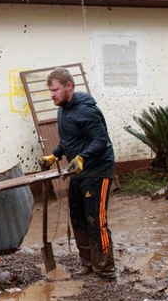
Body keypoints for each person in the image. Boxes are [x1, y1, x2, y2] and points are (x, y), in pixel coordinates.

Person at [40, 67, 117, 280]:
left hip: (98, 170)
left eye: (55, 90)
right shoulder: (63, 110)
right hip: (77, 171)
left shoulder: (87, 110)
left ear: (69, 86)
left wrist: (83, 157)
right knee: (78, 218)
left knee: (96, 220)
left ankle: (105, 269)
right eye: (50, 91)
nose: (52, 95)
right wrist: (54, 156)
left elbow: (100, 141)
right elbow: (68, 140)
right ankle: (88, 264)